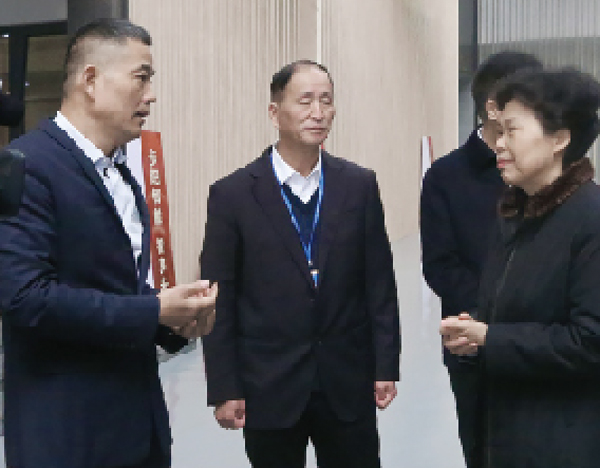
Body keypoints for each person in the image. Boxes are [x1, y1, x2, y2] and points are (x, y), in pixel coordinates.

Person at [0, 19, 218, 468]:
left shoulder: (118, 173)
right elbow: (25, 298)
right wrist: (153, 310)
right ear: (91, 80)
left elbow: (114, 288)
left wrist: (172, 324)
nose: (151, 96)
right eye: (141, 78)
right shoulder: (29, 167)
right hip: (68, 436)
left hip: (136, 428)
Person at [200, 60, 400, 468]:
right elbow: (220, 298)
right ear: (275, 113)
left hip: (346, 380)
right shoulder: (233, 195)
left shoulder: (358, 185)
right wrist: (224, 386)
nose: (318, 112)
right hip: (268, 384)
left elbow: (379, 283)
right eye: (305, 101)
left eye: (326, 101)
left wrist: (385, 365)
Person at [440, 67, 600, 468]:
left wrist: (491, 337)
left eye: (511, 130)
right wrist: (475, 330)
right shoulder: (517, 213)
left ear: (559, 139)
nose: (499, 144)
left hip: (563, 441)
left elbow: (589, 342)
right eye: (498, 132)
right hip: (506, 429)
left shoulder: (590, 220)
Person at [420, 50, 541, 468]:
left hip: (542, 342)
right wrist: (490, 320)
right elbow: (440, 265)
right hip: (472, 343)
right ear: (492, 107)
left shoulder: (547, 171)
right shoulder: (446, 176)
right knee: (483, 451)